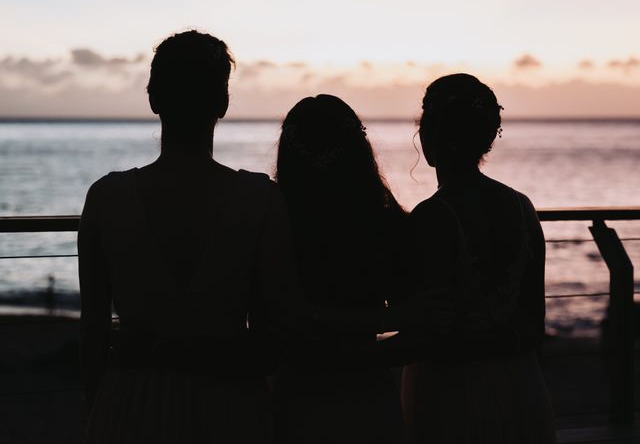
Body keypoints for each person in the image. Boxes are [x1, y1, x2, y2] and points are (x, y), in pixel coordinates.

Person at [78, 30, 312, 443]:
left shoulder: (105, 198)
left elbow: (92, 338)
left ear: (153, 98)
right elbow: (275, 337)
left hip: (130, 404)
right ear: (222, 103)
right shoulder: (260, 199)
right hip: (231, 406)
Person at [401, 73, 556, 443]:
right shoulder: (523, 207)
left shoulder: (431, 216)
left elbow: (421, 324)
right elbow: (535, 318)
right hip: (521, 382)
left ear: (427, 138)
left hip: (450, 389)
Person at [272, 95, 409, 444]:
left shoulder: (273, 220)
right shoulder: (386, 223)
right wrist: (368, 343)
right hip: (368, 391)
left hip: (294, 393)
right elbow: (414, 324)